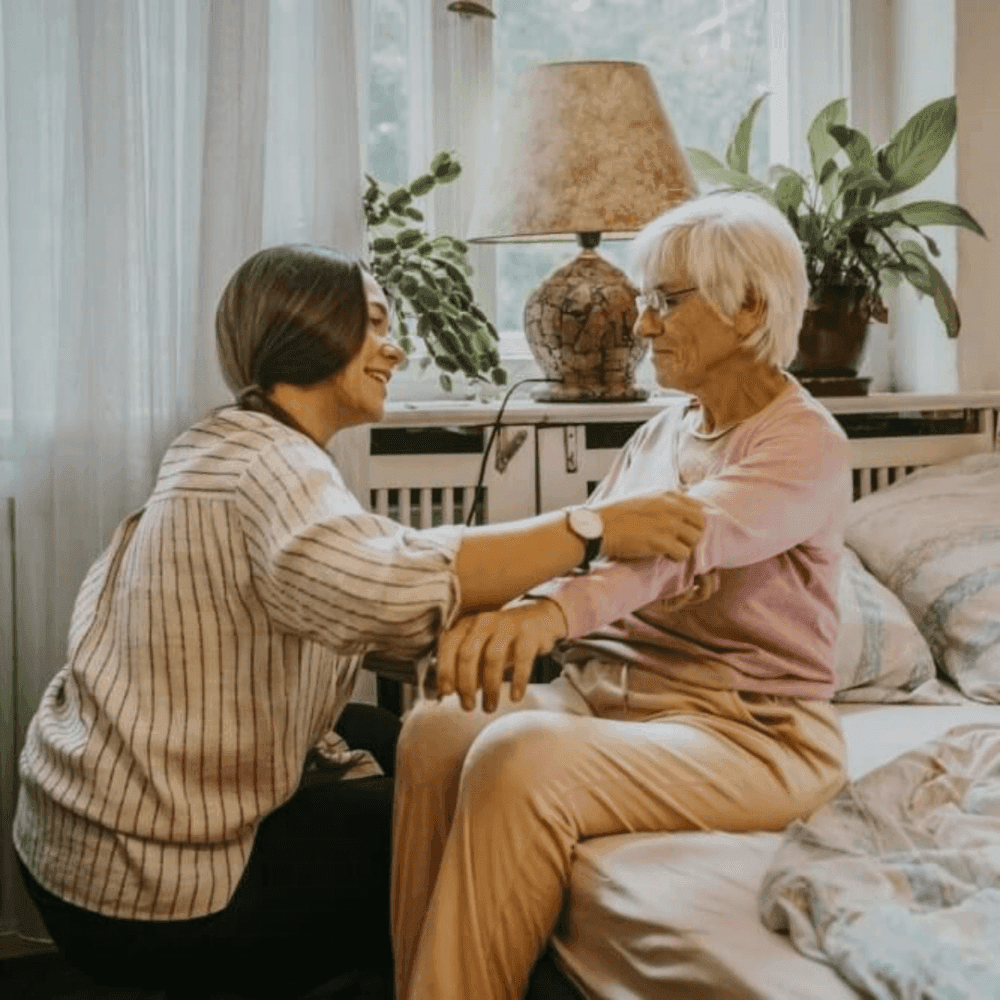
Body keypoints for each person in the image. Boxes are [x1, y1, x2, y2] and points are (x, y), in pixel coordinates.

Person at [12, 244, 704, 999]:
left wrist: (538, 627)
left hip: (78, 831)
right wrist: (593, 528)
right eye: (374, 323)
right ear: (311, 329)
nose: (396, 346)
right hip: (150, 884)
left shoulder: (227, 443)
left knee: (394, 739)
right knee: (471, 849)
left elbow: (369, 587)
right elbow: (393, 582)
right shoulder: (271, 468)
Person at [391, 191, 854, 1000]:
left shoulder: (803, 443)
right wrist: (499, 613)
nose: (642, 327)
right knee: (437, 727)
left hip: (749, 733)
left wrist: (547, 616)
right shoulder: (663, 429)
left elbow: (673, 548)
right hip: (609, 697)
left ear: (748, 306)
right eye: (645, 302)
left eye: (664, 302)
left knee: (518, 758)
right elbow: (593, 546)